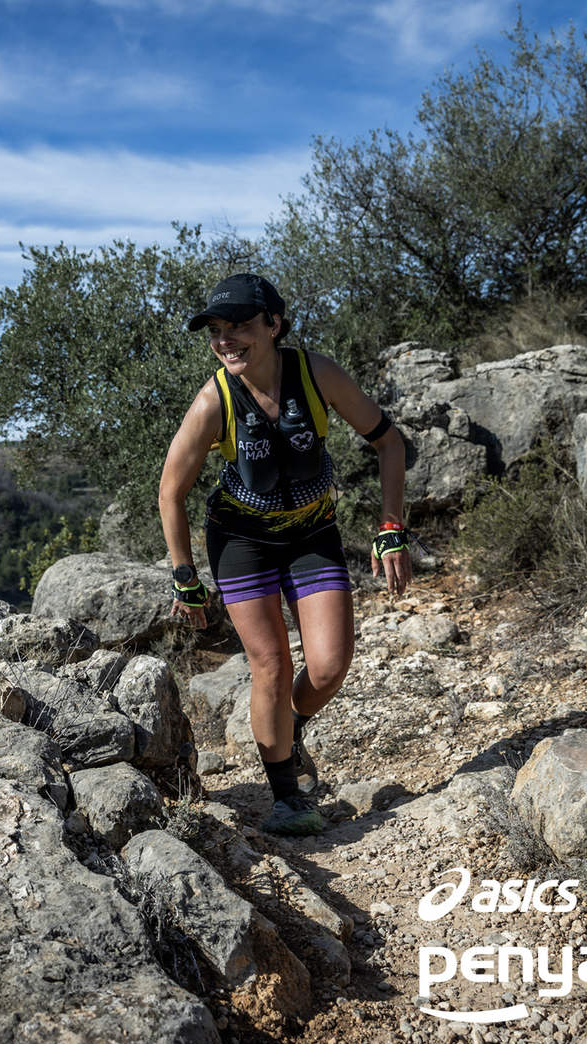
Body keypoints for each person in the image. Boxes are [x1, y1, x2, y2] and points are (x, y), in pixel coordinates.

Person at [158, 273, 411, 835]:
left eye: (239, 326)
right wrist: (184, 575)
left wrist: (391, 525)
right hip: (241, 542)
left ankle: (289, 725)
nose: (225, 340)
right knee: (271, 664)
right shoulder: (213, 400)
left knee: (329, 666)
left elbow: (388, 441)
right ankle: (286, 798)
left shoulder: (317, 374)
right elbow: (170, 492)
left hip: (310, 534)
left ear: (274, 324)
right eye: (216, 331)